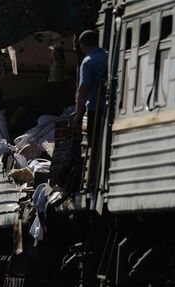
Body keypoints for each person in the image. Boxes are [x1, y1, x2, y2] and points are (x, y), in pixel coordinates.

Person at [71, 30, 108, 192]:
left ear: (83, 46)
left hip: (95, 109)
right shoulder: (108, 55)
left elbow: (84, 89)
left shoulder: (88, 61)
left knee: (93, 146)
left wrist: (78, 114)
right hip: (109, 109)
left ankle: (92, 182)